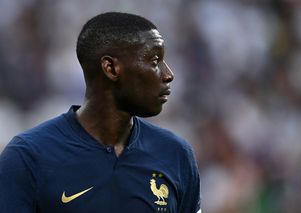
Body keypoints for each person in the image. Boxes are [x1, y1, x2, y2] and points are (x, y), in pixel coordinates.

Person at [0, 12, 201, 213]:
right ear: (111, 68)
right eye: (155, 61)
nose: (168, 75)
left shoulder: (176, 154)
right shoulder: (28, 157)